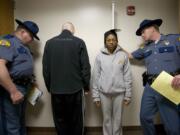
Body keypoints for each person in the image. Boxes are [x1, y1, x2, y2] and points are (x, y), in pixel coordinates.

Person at [124, 19, 180, 135]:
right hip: (150, 86)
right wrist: (116, 45)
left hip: (169, 85)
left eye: (143, 32)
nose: (142, 35)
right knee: (144, 117)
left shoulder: (173, 39)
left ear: (152, 28)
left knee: (172, 126)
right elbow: (129, 55)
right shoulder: (145, 47)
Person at [43, 22, 91, 135]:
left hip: (56, 90)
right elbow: (85, 67)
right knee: (76, 121)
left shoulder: (49, 43)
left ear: (62, 30)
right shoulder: (79, 42)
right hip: (75, 89)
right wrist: (86, 86)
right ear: (72, 30)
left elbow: (46, 69)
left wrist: (50, 87)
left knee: (60, 120)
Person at [0, 19, 40, 135]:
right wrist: (13, 91)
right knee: (11, 126)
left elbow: (21, 66)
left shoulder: (24, 46)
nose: (32, 39)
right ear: (22, 32)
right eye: (32, 36)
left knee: (20, 122)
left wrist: (32, 81)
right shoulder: (7, 41)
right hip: (11, 88)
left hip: (24, 87)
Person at [91, 29, 132, 135]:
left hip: (119, 93)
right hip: (104, 93)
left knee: (118, 119)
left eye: (113, 39)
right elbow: (96, 77)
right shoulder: (99, 56)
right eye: (108, 40)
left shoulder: (123, 56)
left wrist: (128, 95)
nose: (111, 42)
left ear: (117, 41)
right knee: (107, 119)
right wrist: (96, 96)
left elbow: (127, 76)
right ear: (105, 42)